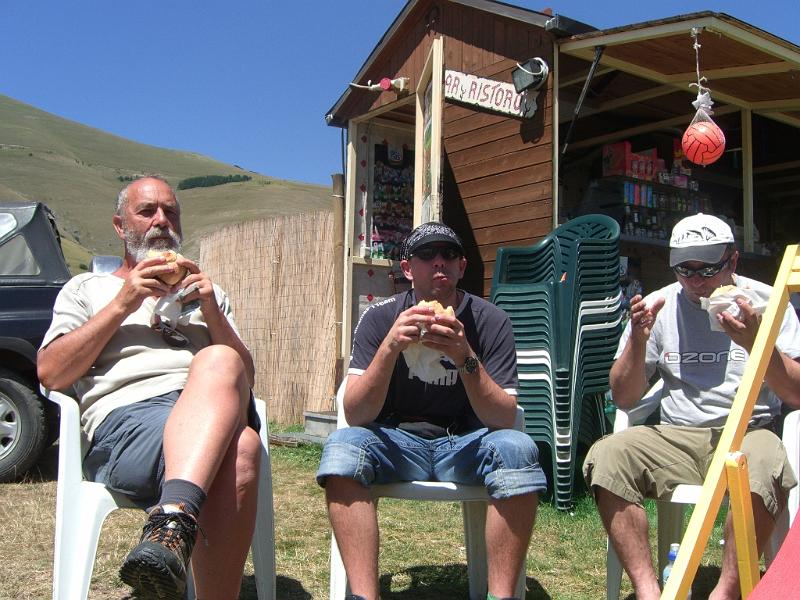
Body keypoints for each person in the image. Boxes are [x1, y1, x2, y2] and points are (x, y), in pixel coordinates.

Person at [38, 176, 260, 600]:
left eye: (170, 211)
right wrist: (124, 302)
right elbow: (51, 373)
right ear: (121, 226)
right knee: (241, 444)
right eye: (147, 211)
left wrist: (212, 313)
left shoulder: (209, 296)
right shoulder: (87, 289)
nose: (162, 220)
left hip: (212, 413)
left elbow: (246, 380)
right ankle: (178, 523)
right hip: (128, 426)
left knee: (224, 370)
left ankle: (170, 523)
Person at [316, 222, 546, 600]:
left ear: (462, 266)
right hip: (396, 440)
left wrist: (465, 356)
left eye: (449, 254)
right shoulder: (380, 318)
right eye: (426, 255)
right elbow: (355, 413)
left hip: (466, 442)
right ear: (408, 268)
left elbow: (505, 418)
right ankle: (362, 595)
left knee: (518, 449)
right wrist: (390, 347)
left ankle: (502, 596)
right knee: (343, 447)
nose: (439, 262)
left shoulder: (491, 321)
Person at [583, 213, 800, 600]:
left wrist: (756, 342)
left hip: (749, 431)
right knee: (607, 454)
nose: (697, 282)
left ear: (732, 260)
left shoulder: (769, 302)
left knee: (765, 460)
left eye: (707, 269)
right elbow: (624, 397)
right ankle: (649, 590)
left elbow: (796, 394)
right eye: (686, 270)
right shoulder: (659, 304)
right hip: (677, 435)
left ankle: (726, 591)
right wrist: (636, 340)